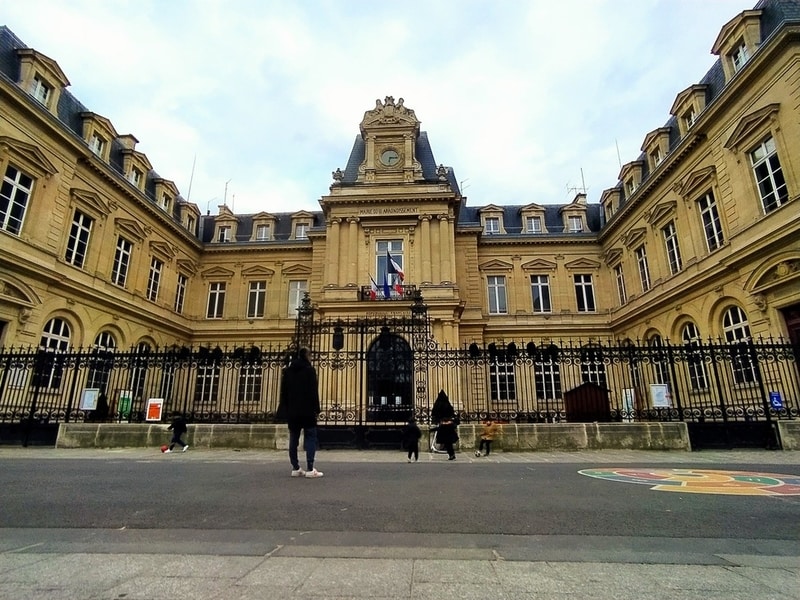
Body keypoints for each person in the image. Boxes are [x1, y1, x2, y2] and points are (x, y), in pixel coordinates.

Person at [277, 347, 323, 478]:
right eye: (310, 355)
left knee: (293, 438)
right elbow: (313, 392)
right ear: (306, 356)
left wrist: (285, 409)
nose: (311, 357)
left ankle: (295, 467)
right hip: (307, 410)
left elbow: (284, 393)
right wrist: (317, 409)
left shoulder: (288, 371)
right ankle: (310, 469)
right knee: (310, 437)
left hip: (293, 411)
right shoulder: (309, 370)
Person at [430, 389, 459, 460]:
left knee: (446, 442)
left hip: (443, 425)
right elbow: (452, 413)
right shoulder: (448, 405)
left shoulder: (439, 404)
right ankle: (451, 454)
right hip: (449, 425)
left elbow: (435, 413)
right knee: (449, 442)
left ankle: (451, 454)